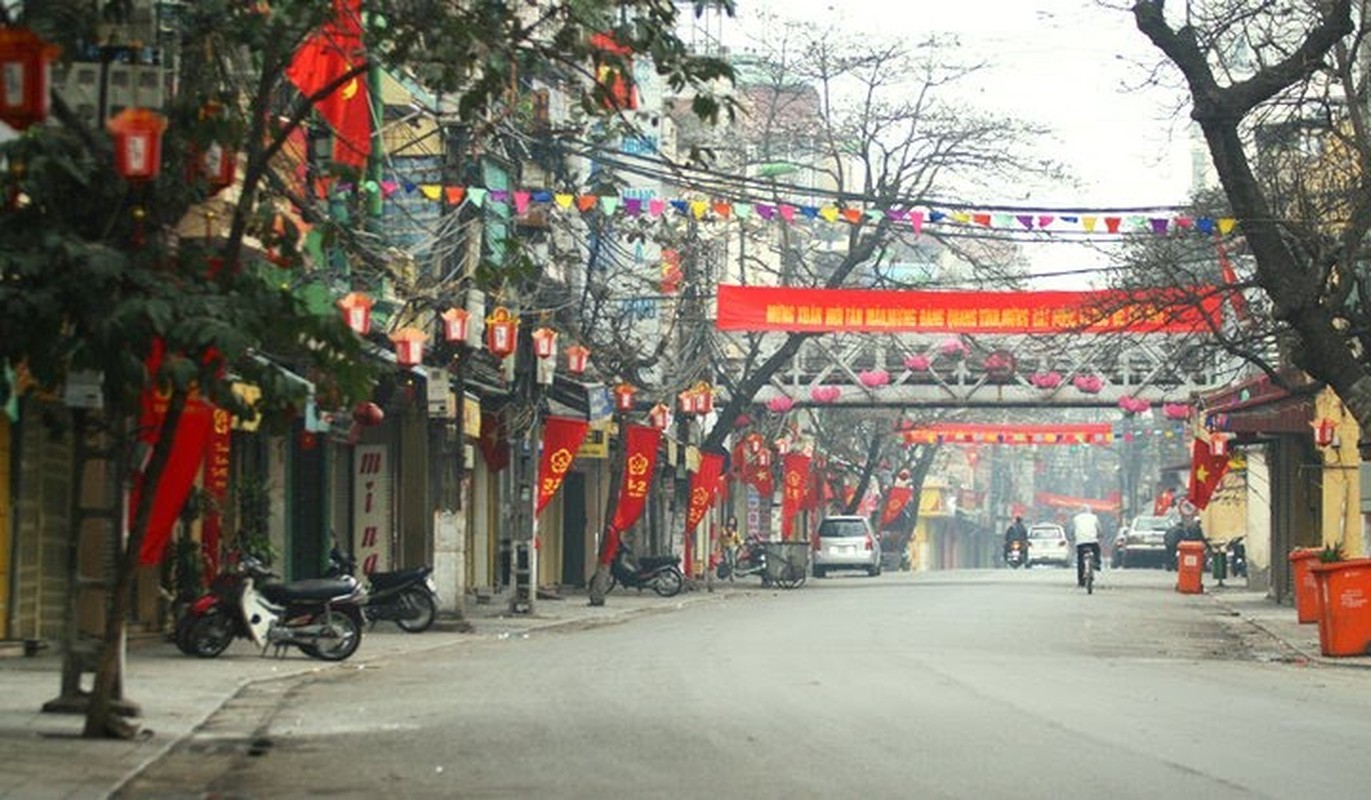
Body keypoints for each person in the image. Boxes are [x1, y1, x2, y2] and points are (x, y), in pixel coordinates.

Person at [1072, 505, 1101, 587]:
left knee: (1080, 560)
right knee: (1097, 550)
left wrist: (1073, 537)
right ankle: (1097, 563)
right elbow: (1099, 529)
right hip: (1092, 541)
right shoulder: (1094, 517)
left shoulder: (1076, 518)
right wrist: (1099, 535)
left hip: (1080, 542)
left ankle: (1081, 582)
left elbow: (1072, 530)